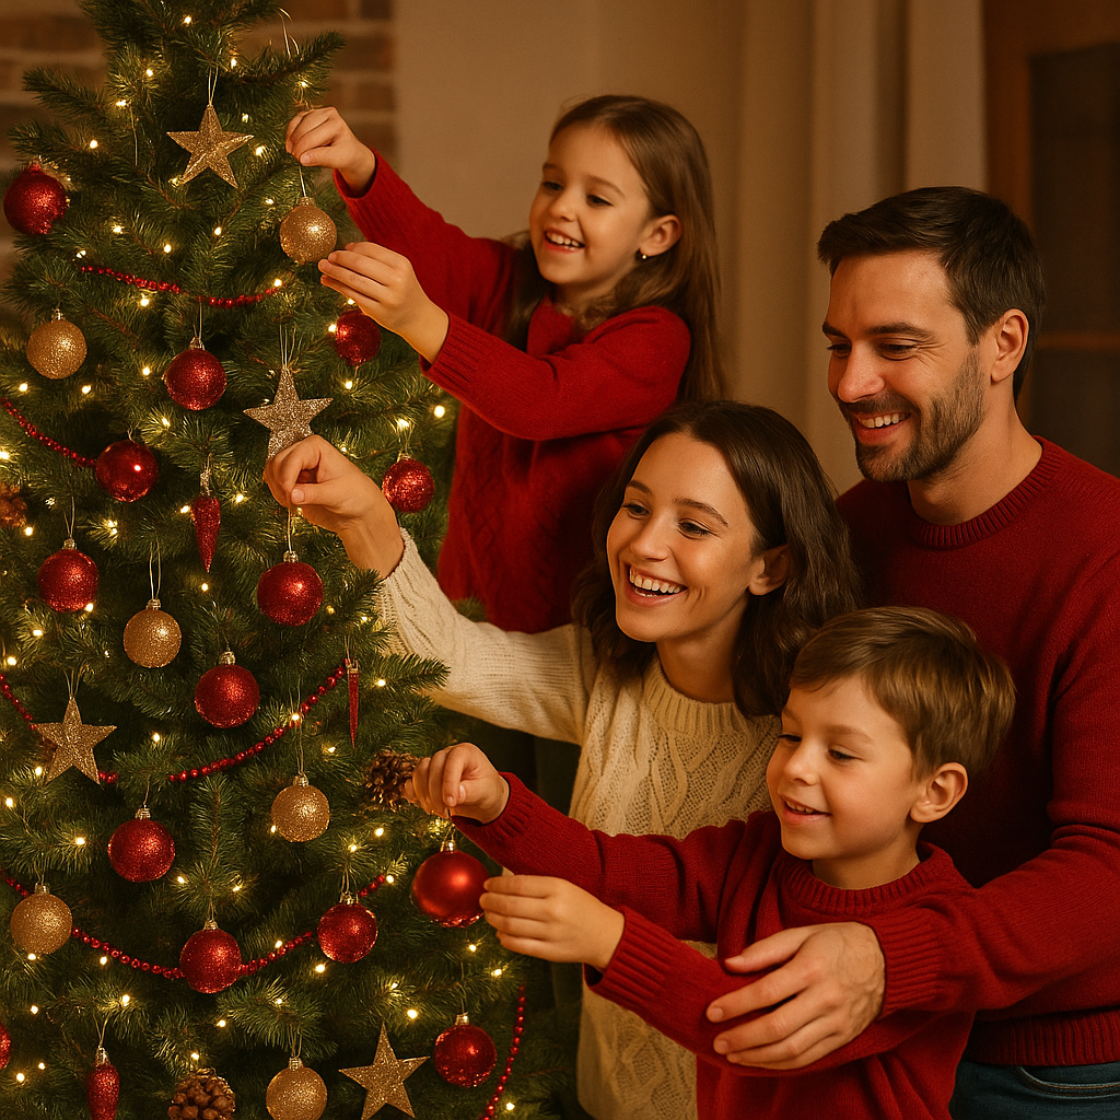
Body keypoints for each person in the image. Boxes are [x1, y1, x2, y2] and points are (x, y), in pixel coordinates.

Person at [262, 400, 859, 1120]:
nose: (644, 545)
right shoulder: (603, 673)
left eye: (694, 526)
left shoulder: (807, 736)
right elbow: (447, 657)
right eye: (636, 508)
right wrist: (366, 517)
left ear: (771, 566)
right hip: (604, 1099)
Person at [701, 187, 1120, 1117]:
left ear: (1002, 344)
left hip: (1045, 1071)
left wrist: (891, 959)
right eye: (838, 345)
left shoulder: (1106, 555)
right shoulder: (845, 534)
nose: (851, 384)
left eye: (896, 347)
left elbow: (1108, 866)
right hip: (863, 1037)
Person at [405, 607, 1016, 1120]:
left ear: (933, 792)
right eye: (790, 735)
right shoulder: (756, 852)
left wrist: (610, 942)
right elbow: (615, 870)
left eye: (841, 753)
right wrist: (499, 805)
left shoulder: (931, 931)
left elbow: (753, 1027)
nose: (798, 767)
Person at [284, 95, 723, 636]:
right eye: (554, 184)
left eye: (598, 199)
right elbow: (431, 246)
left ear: (657, 235)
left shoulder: (655, 339)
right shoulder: (508, 282)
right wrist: (359, 165)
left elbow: (540, 400)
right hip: (465, 610)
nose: (563, 208)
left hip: (575, 637)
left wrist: (419, 318)